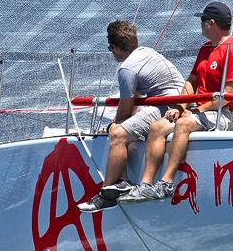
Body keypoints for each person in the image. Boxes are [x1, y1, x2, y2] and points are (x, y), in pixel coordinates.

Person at [120, 2, 233, 203]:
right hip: (199, 110)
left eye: (202, 21)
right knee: (157, 127)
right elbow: (191, 81)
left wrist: (195, 111)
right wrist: (180, 107)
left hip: (228, 113)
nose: (201, 25)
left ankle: (167, 183)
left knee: (183, 124)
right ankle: (145, 185)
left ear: (211, 24)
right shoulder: (205, 49)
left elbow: (229, 94)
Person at [78, 21, 184, 213]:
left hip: (168, 105)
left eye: (111, 48)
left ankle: (105, 195)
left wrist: (114, 126)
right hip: (176, 102)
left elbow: (126, 109)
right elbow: (136, 101)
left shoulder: (126, 68)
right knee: (118, 129)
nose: (112, 52)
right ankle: (122, 182)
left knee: (118, 133)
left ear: (117, 47)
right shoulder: (146, 52)